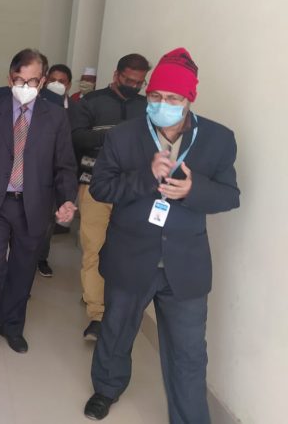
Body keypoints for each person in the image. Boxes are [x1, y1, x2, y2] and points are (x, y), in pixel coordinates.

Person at [83, 48, 240, 422]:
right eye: (155, 96)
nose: (162, 104)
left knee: (189, 351)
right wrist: (144, 177)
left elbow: (230, 195)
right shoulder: (124, 136)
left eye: (172, 98)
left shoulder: (218, 139)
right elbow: (100, 188)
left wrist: (193, 190)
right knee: (116, 332)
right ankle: (106, 389)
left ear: (189, 99)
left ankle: (190, 417)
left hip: (185, 264)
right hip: (130, 255)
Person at [0, 48, 78, 359]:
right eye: (20, 80)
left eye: (33, 81)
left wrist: (67, 199)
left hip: (33, 204)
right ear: (10, 79)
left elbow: (64, 165)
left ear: (43, 81)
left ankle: (12, 325)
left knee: (23, 269)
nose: (26, 87)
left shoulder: (56, 117)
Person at [71, 53, 151, 340]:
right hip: (95, 186)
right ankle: (98, 314)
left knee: (126, 253)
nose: (134, 86)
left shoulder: (147, 107)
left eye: (139, 83)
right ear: (116, 75)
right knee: (94, 247)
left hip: (133, 191)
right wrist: (116, 136)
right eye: (129, 80)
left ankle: (115, 309)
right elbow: (76, 137)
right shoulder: (91, 102)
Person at [36, 63, 81, 277]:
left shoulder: (76, 110)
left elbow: (78, 142)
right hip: (39, 172)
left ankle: (41, 258)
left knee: (48, 223)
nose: (56, 84)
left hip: (61, 174)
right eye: (52, 80)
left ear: (68, 85)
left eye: (61, 81)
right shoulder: (38, 104)